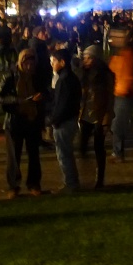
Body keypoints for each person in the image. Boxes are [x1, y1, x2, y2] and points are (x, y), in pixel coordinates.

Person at [0, 49, 44, 199]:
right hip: (15, 120)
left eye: (32, 63)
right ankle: (13, 186)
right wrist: (19, 101)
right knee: (14, 156)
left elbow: (46, 92)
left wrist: (41, 97)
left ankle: (34, 183)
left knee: (34, 154)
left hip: (32, 119)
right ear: (21, 63)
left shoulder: (37, 77)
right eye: (26, 63)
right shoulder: (10, 77)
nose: (29, 66)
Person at [79, 43, 114, 190]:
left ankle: (99, 179)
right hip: (85, 115)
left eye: (88, 58)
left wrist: (106, 120)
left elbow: (110, 99)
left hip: (99, 116)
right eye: (85, 58)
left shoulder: (106, 76)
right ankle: (86, 174)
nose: (85, 60)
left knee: (98, 147)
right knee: (82, 146)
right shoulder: (84, 74)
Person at [48, 48, 82, 193]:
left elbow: (61, 104)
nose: (52, 64)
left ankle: (70, 183)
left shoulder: (64, 80)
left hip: (64, 122)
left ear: (62, 62)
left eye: (54, 61)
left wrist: (53, 120)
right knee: (67, 152)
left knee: (64, 154)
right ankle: (72, 181)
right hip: (70, 119)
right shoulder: (71, 78)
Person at [108, 27, 133, 163]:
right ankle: (117, 151)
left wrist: (126, 89)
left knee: (118, 124)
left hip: (123, 94)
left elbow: (128, 75)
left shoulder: (128, 54)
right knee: (116, 124)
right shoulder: (119, 54)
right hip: (118, 92)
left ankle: (118, 153)